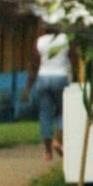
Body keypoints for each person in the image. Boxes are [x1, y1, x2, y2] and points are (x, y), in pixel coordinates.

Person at [25, 27, 71, 162]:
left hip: (43, 78)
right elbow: (73, 59)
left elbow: (34, 65)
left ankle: (47, 152)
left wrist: (28, 89)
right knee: (63, 112)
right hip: (61, 78)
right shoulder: (66, 40)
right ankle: (57, 140)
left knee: (45, 114)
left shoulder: (39, 42)